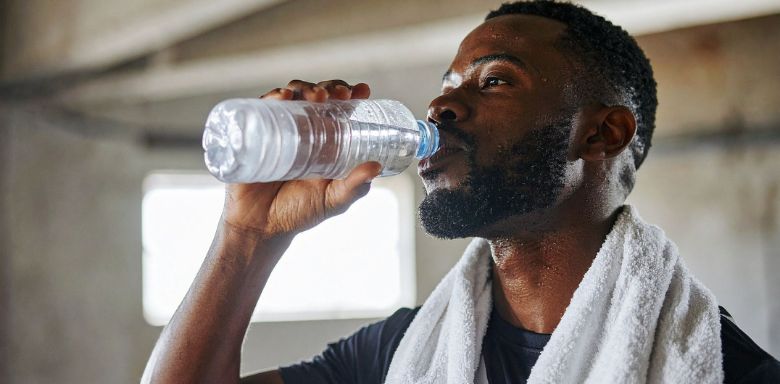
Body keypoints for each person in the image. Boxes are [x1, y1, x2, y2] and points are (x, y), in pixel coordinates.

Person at [141, 1, 780, 383]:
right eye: (447, 83)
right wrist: (248, 236)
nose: (443, 104)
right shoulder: (403, 355)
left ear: (602, 134)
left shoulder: (719, 368)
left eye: (495, 80)